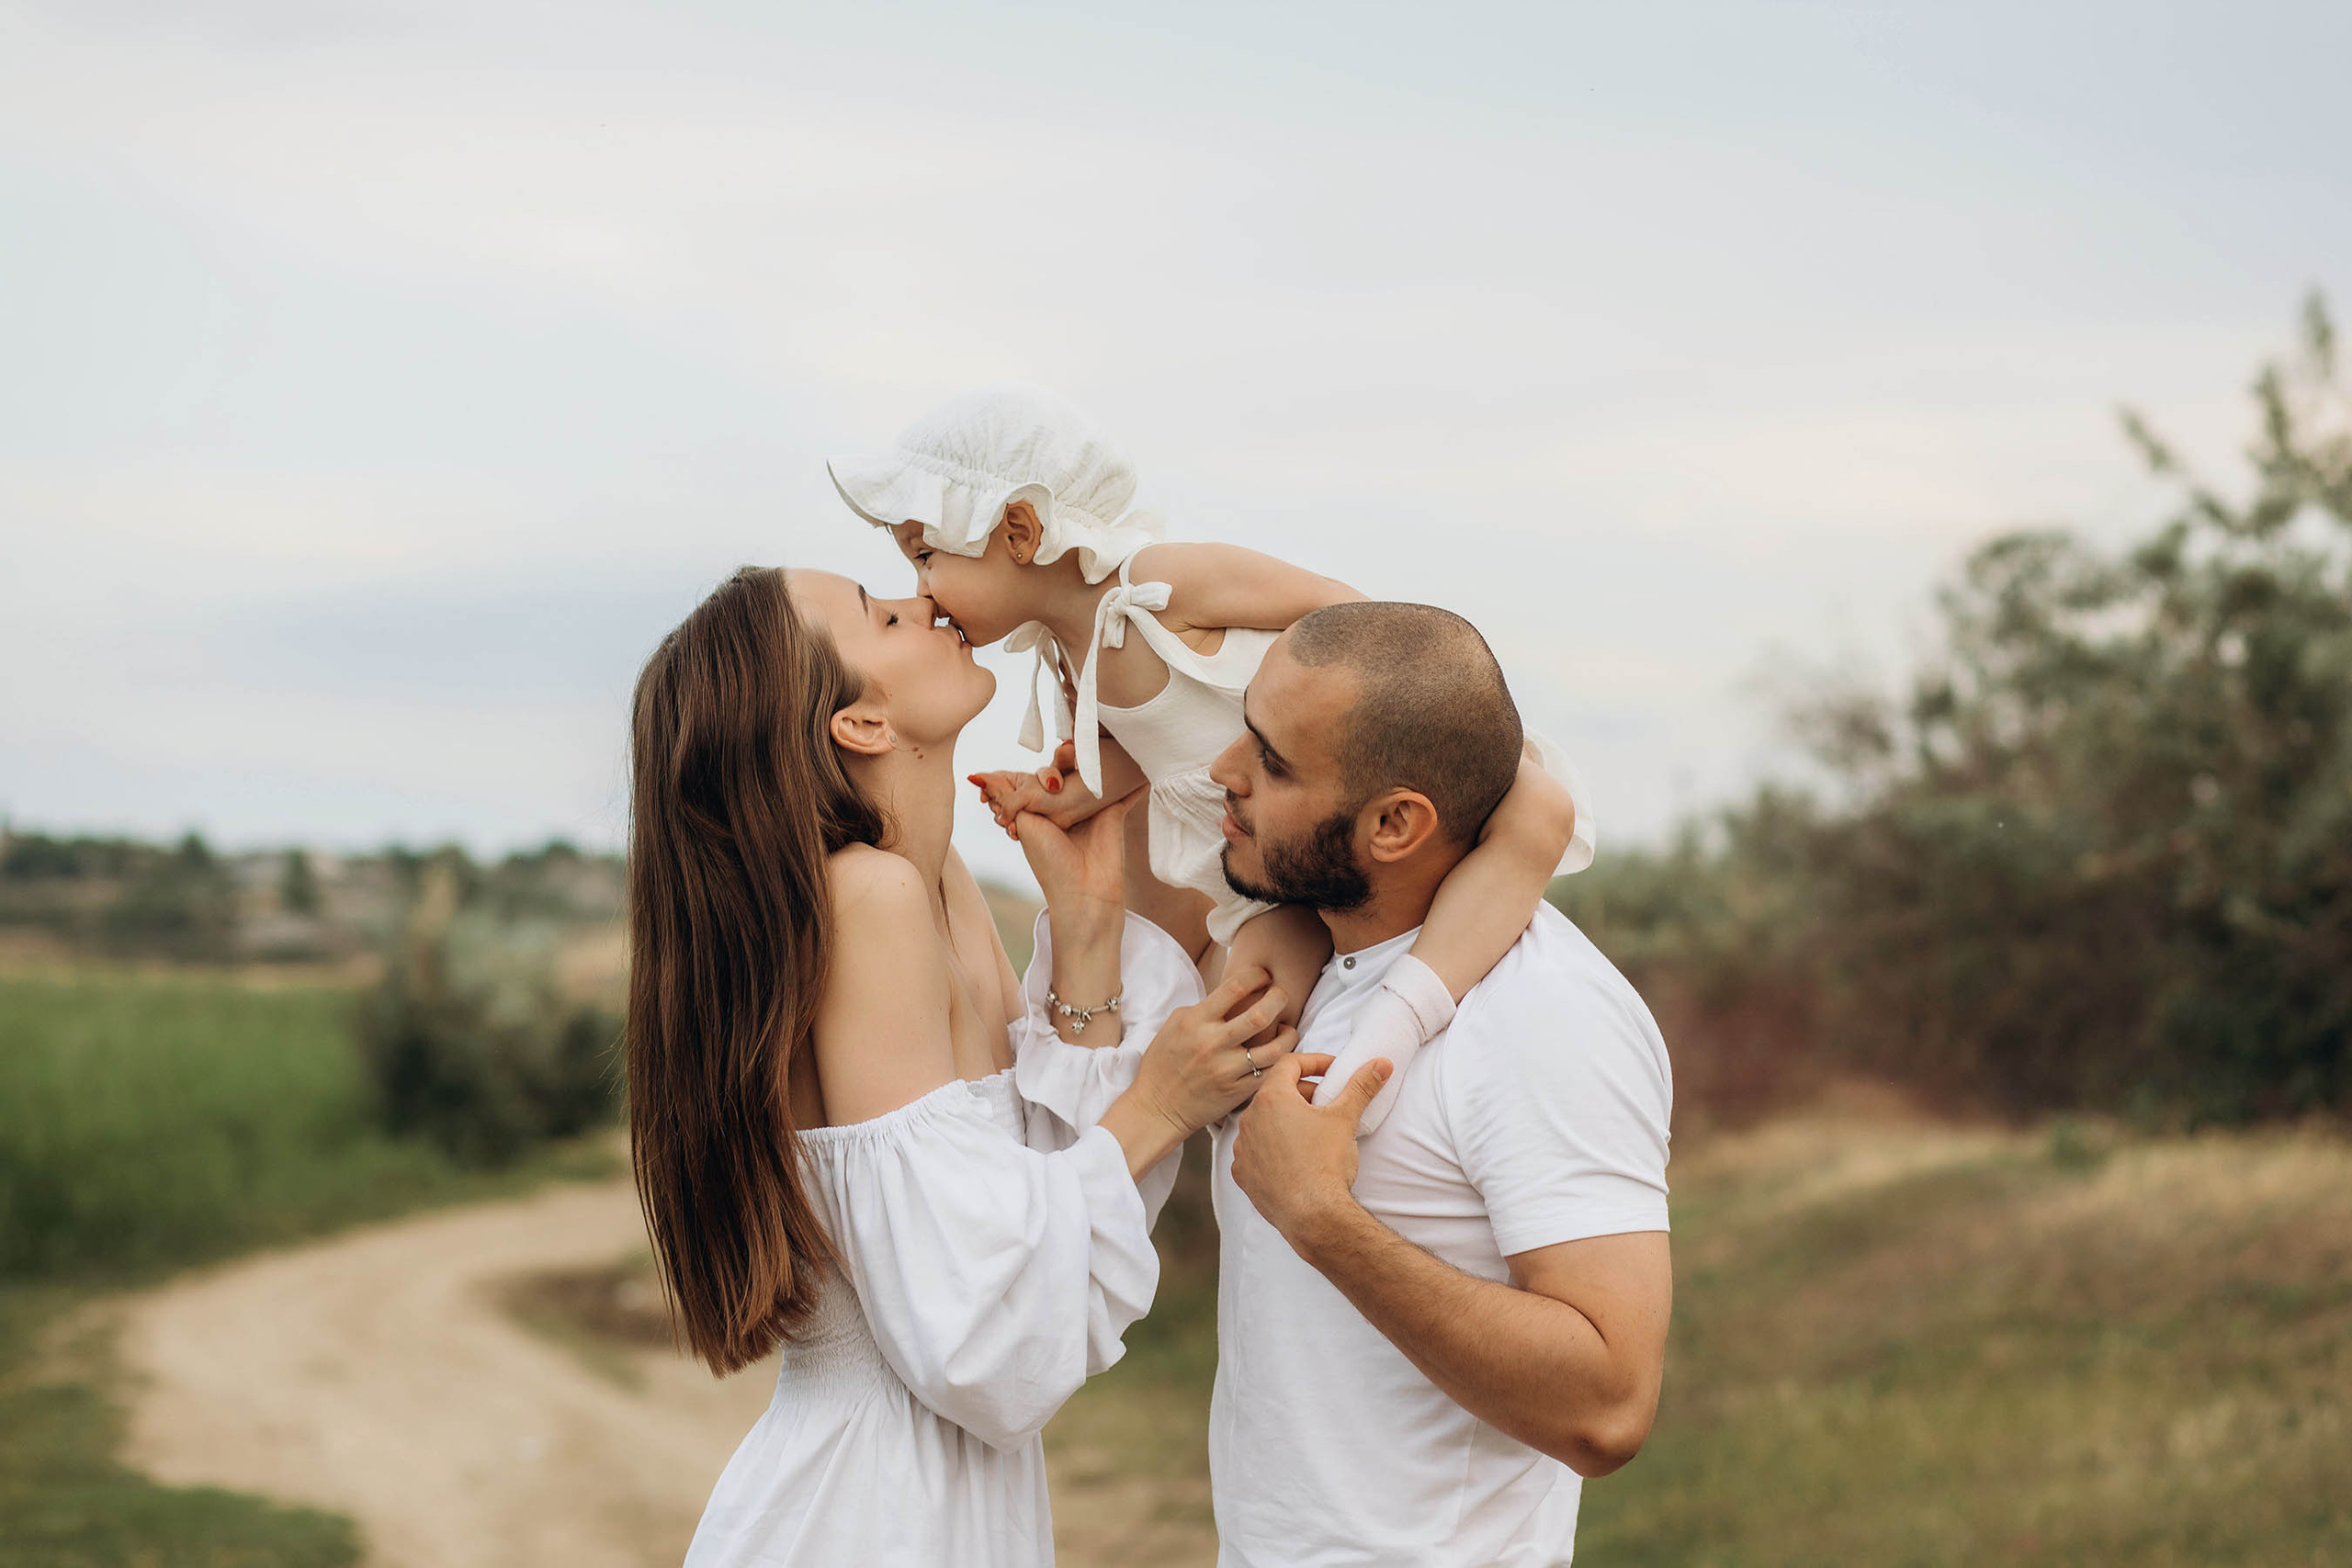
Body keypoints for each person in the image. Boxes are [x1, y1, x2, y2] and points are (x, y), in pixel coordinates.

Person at [624, 565, 1299, 1567]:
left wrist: (1085, 936)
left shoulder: (935, 888)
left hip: (932, 1498)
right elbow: (983, 1349)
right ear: (857, 722)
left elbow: (1032, 1234)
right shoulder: (869, 904)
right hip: (866, 1516)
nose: (924, 603)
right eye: (881, 615)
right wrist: (1157, 1102)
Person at [830, 381, 1590, 1133]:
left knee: (1536, 809)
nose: (922, 590)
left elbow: (1350, 617)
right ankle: (1332, 1106)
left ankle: (1401, 1020)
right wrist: (1064, 794)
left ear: (1021, 531)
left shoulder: (1160, 584)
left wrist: (1369, 717)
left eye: (926, 555)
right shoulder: (1068, 657)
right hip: (1255, 862)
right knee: (1256, 989)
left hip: (1349, 779)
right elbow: (1151, 752)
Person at [1206, 601, 1674, 1567]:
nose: (1224, 773)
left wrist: (1319, 1220)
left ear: (1394, 824)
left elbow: (1608, 1406)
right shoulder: (1315, 961)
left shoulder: (1544, 1014)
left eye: (1274, 762)